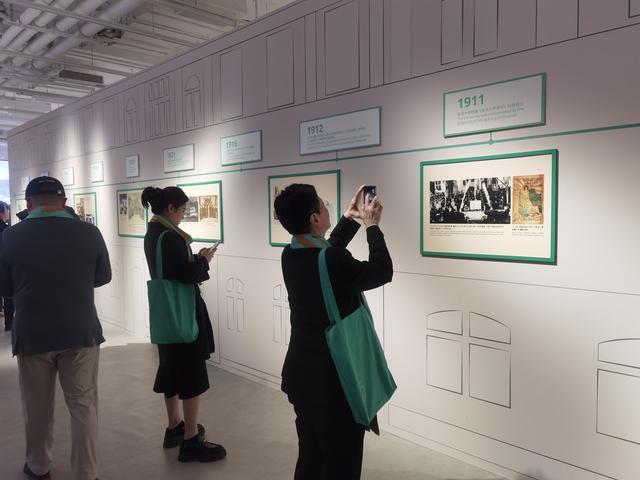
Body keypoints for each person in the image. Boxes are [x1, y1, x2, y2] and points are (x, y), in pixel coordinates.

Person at [274, 184, 393, 479]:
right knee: (342, 464)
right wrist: (372, 227)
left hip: (302, 376)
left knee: (311, 457)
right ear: (314, 218)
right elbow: (382, 270)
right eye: (322, 204)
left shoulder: (290, 254)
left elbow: (326, 253)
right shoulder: (332, 261)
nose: (327, 206)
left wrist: (349, 219)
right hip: (335, 381)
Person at [0, 176, 111, 480]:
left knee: (37, 406)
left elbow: (5, 289)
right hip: (80, 331)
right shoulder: (89, 232)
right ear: (64, 202)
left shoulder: (10, 237)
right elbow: (103, 277)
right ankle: (86, 472)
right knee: (83, 405)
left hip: (33, 333)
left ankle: (38, 467)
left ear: (28, 203)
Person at [141, 186, 226, 463]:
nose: (183, 215)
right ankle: (190, 439)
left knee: (170, 368)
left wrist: (196, 260)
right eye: (182, 210)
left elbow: (173, 270)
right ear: (170, 209)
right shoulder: (171, 237)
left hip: (166, 315)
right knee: (191, 373)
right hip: (183, 313)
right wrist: (204, 260)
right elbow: (187, 275)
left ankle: (174, 426)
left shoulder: (153, 233)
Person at [0, 201, 14, 331]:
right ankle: (9, 323)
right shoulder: (6, 230)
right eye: (7, 210)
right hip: (3, 266)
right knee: (8, 295)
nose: (8, 213)